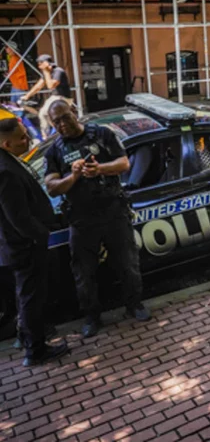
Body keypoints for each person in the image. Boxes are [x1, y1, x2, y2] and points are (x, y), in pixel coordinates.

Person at [44, 100, 150, 338]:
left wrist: (99, 169)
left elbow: (124, 163)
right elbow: (51, 187)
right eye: (56, 122)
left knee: (127, 263)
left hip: (113, 211)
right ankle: (91, 317)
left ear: (74, 112)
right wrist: (73, 176)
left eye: (64, 117)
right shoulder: (55, 151)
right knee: (84, 273)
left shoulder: (101, 134)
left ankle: (135, 305)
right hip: (81, 219)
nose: (61, 124)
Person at [0, 110, 69, 366]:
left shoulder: (7, 160)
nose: (28, 140)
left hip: (20, 245)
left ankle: (28, 338)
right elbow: (18, 218)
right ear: (6, 144)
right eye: (21, 138)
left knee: (26, 296)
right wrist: (41, 237)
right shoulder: (5, 171)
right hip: (24, 247)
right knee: (31, 297)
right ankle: (36, 350)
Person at [18, 55, 72, 139]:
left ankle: (46, 137)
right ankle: (56, 132)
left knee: (44, 113)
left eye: (41, 64)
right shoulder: (47, 73)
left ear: (47, 63)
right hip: (55, 97)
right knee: (43, 114)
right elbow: (39, 86)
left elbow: (51, 86)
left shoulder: (58, 71)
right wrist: (27, 96)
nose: (39, 67)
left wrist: (46, 72)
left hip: (62, 98)